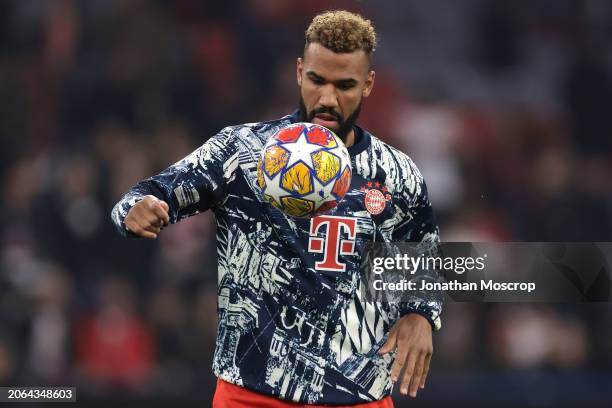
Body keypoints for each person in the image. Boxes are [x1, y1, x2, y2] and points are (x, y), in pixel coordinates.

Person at [112, 10, 442, 407]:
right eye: (317, 80)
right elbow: (151, 193)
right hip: (251, 395)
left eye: (345, 85)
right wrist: (135, 208)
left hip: (360, 397)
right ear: (299, 71)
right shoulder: (241, 150)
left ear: (369, 84)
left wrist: (421, 315)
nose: (327, 99)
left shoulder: (396, 173)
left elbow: (423, 254)